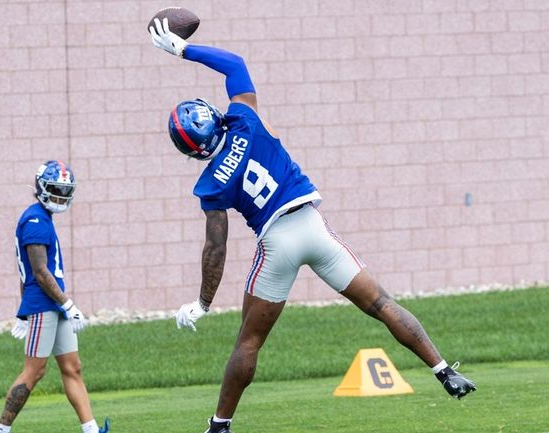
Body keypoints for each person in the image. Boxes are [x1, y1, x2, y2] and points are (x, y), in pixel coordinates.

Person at [150, 18, 476, 433]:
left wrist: (202, 302)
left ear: (191, 151)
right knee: (381, 304)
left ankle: (220, 425)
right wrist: (181, 50)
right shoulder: (245, 120)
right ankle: (444, 370)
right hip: (313, 227)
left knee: (248, 342)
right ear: (213, 116)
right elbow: (234, 64)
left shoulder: (210, 183)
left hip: (277, 244)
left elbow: (216, 248)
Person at [0, 160, 109, 433]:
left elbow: (26, 274)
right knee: (34, 371)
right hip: (46, 304)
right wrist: (67, 304)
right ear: (41, 187)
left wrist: (24, 311)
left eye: (64, 190)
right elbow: (40, 273)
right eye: (55, 189)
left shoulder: (40, 217)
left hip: (52, 304)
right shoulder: (35, 220)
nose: (60, 196)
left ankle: (91, 430)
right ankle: (0, 431)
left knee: (72, 366)